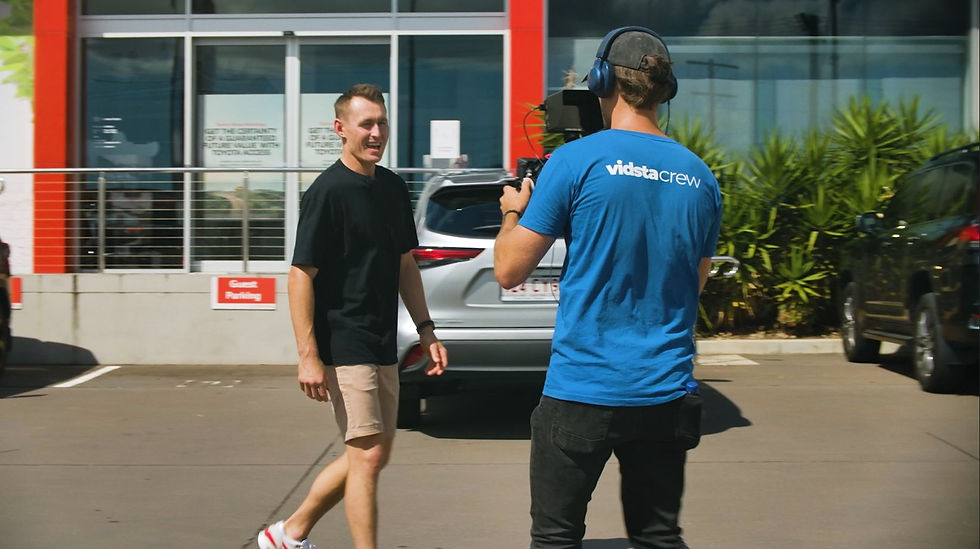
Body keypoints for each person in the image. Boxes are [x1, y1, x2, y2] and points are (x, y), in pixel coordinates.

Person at [494, 27, 722, 549]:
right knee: (658, 537)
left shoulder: (576, 161)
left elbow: (508, 269)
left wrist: (513, 212)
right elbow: (694, 284)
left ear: (602, 81)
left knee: (556, 538)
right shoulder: (700, 177)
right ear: (665, 90)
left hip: (583, 390)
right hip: (664, 391)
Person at [257, 83, 448, 549]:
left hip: (383, 339)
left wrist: (426, 331)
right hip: (344, 341)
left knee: (374, 454)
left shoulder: (392, 187)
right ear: (340, 129)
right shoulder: (327, 192)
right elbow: (300, 275)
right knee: (366, 458)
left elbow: (405, 264)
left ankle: (289, 533)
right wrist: (308, 355)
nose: (376, 133)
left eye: (381, 123)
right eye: (366, 124)